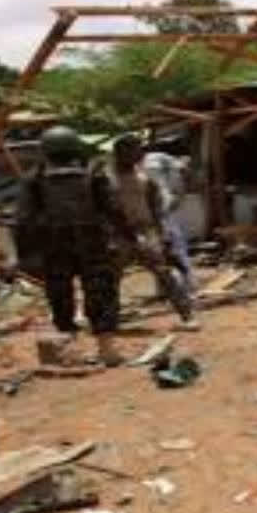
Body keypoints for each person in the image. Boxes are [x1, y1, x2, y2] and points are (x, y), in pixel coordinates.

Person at [15, 126, 128, 365]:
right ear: (76, 148)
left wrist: (25, 255)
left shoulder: (33, 179)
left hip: (54, 247)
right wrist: (127, 237)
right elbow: (114, 210)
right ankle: (106, 349)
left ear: (45, 151)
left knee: (60, 296)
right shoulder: (93, 174)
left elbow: (23, 221)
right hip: (93, 244)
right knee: (101, 293)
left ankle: (67, 351)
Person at [108, 135, 199, 331]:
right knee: (111, 279)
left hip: (146, 231)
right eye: (132, 151)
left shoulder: (144, 179)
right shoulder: (107, 180)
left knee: (165, 274)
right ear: (119, 154)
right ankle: (109, 320)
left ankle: (187, 315)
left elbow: (155, 207)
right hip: (119, 234)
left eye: (137, 151)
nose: (137, 155)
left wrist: (161, 233)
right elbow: (105, 210)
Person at [141, 149, 195, 291]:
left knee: (161, 251)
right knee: (174, 247)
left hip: (155, 213)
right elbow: (171, 192)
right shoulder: (171, 166)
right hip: (160, 213)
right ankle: (184, 284)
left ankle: (166, 286)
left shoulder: (153, 164)